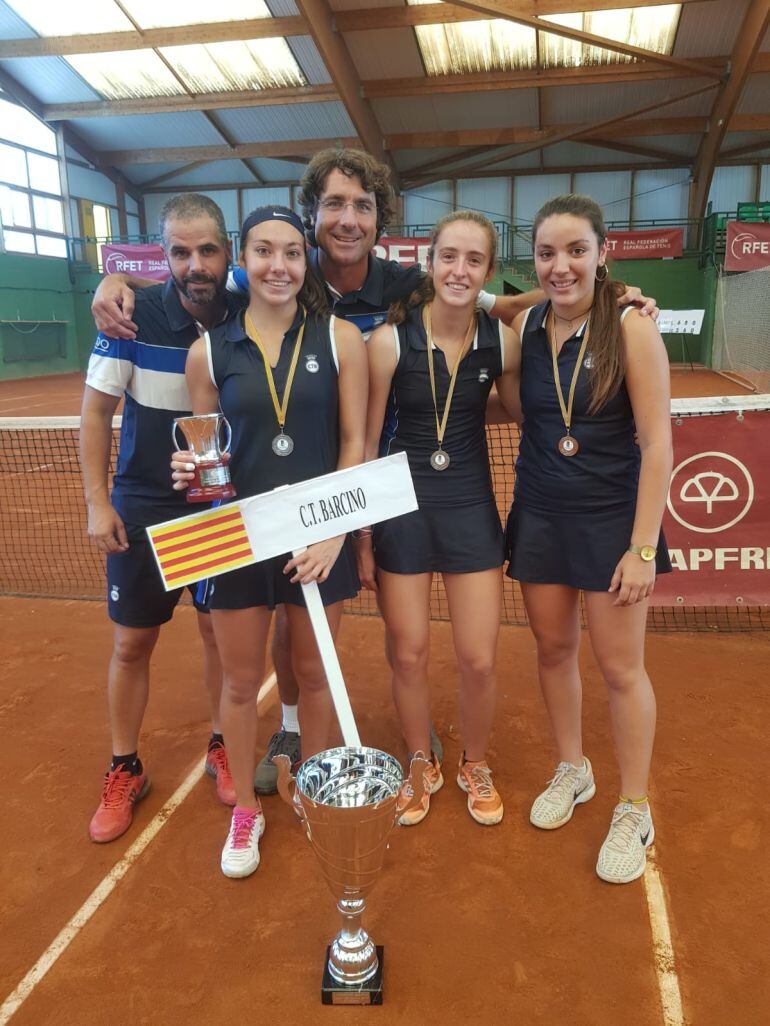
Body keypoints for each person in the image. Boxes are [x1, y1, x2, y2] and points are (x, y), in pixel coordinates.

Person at [91, 148, 659, 790]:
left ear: (378, 219)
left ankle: (447, 759)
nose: (347, 218)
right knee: (268, 630)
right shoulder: (261, 281)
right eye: (334, 204)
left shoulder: (405, 285)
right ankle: (287, 727)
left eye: (361, 205)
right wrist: (118, 284)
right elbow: (192, 278)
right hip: (276, 496)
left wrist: (608, 290)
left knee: (343, 635)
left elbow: (496, 303)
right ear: (309, 223)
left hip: (368, 487)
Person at [172, 206, 367, 878]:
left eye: (290, 252)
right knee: (240, 678)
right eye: (263, 251)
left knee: (312, 674)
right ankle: (245, 816)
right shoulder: (208, 352)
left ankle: (311, 787)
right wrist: (192, 472)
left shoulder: (342, 340)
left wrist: (338, 532)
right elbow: (206, 452)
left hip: (319, 537)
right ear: (241, 260)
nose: (277, 265)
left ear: (305, 260)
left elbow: (355, 445)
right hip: (234, 536)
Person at [504, 194, 673, 884]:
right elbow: (461, 294)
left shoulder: (631, 327)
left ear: (603, 254)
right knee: (552, 648)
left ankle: (635, 805)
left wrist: (641, 547)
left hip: (610, 521)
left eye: (576, 250)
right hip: (540, 511)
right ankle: (574, 769)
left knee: (620, 669)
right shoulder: (526, 323)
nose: (561, 265)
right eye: (547, 253)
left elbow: (658, 444)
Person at [80, 193, 244, 844]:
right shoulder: (132, 319)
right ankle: (125, 767)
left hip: (213, 503)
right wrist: (98, 502)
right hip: (143, 504)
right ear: (164, 255)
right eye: (179, 251)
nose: (194, 263)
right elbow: (95, 413)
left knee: (217, 635)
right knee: (130, 643)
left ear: (228, 252)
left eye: (207, 249)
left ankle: (223, 744)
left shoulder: (247, 305)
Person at [358, 211, 522, 827]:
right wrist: (364, 538)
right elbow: (368, 441)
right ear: (429, 262)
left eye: (473, 260)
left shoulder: (500, 341)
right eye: (448, 256)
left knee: (479, 657)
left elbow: (518, 410)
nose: (459, 270)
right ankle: (419, 761)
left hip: (471, 509)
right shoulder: (388, 342)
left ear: (486, 271)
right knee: (409, 653)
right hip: (401, 510)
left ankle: (474, 764)